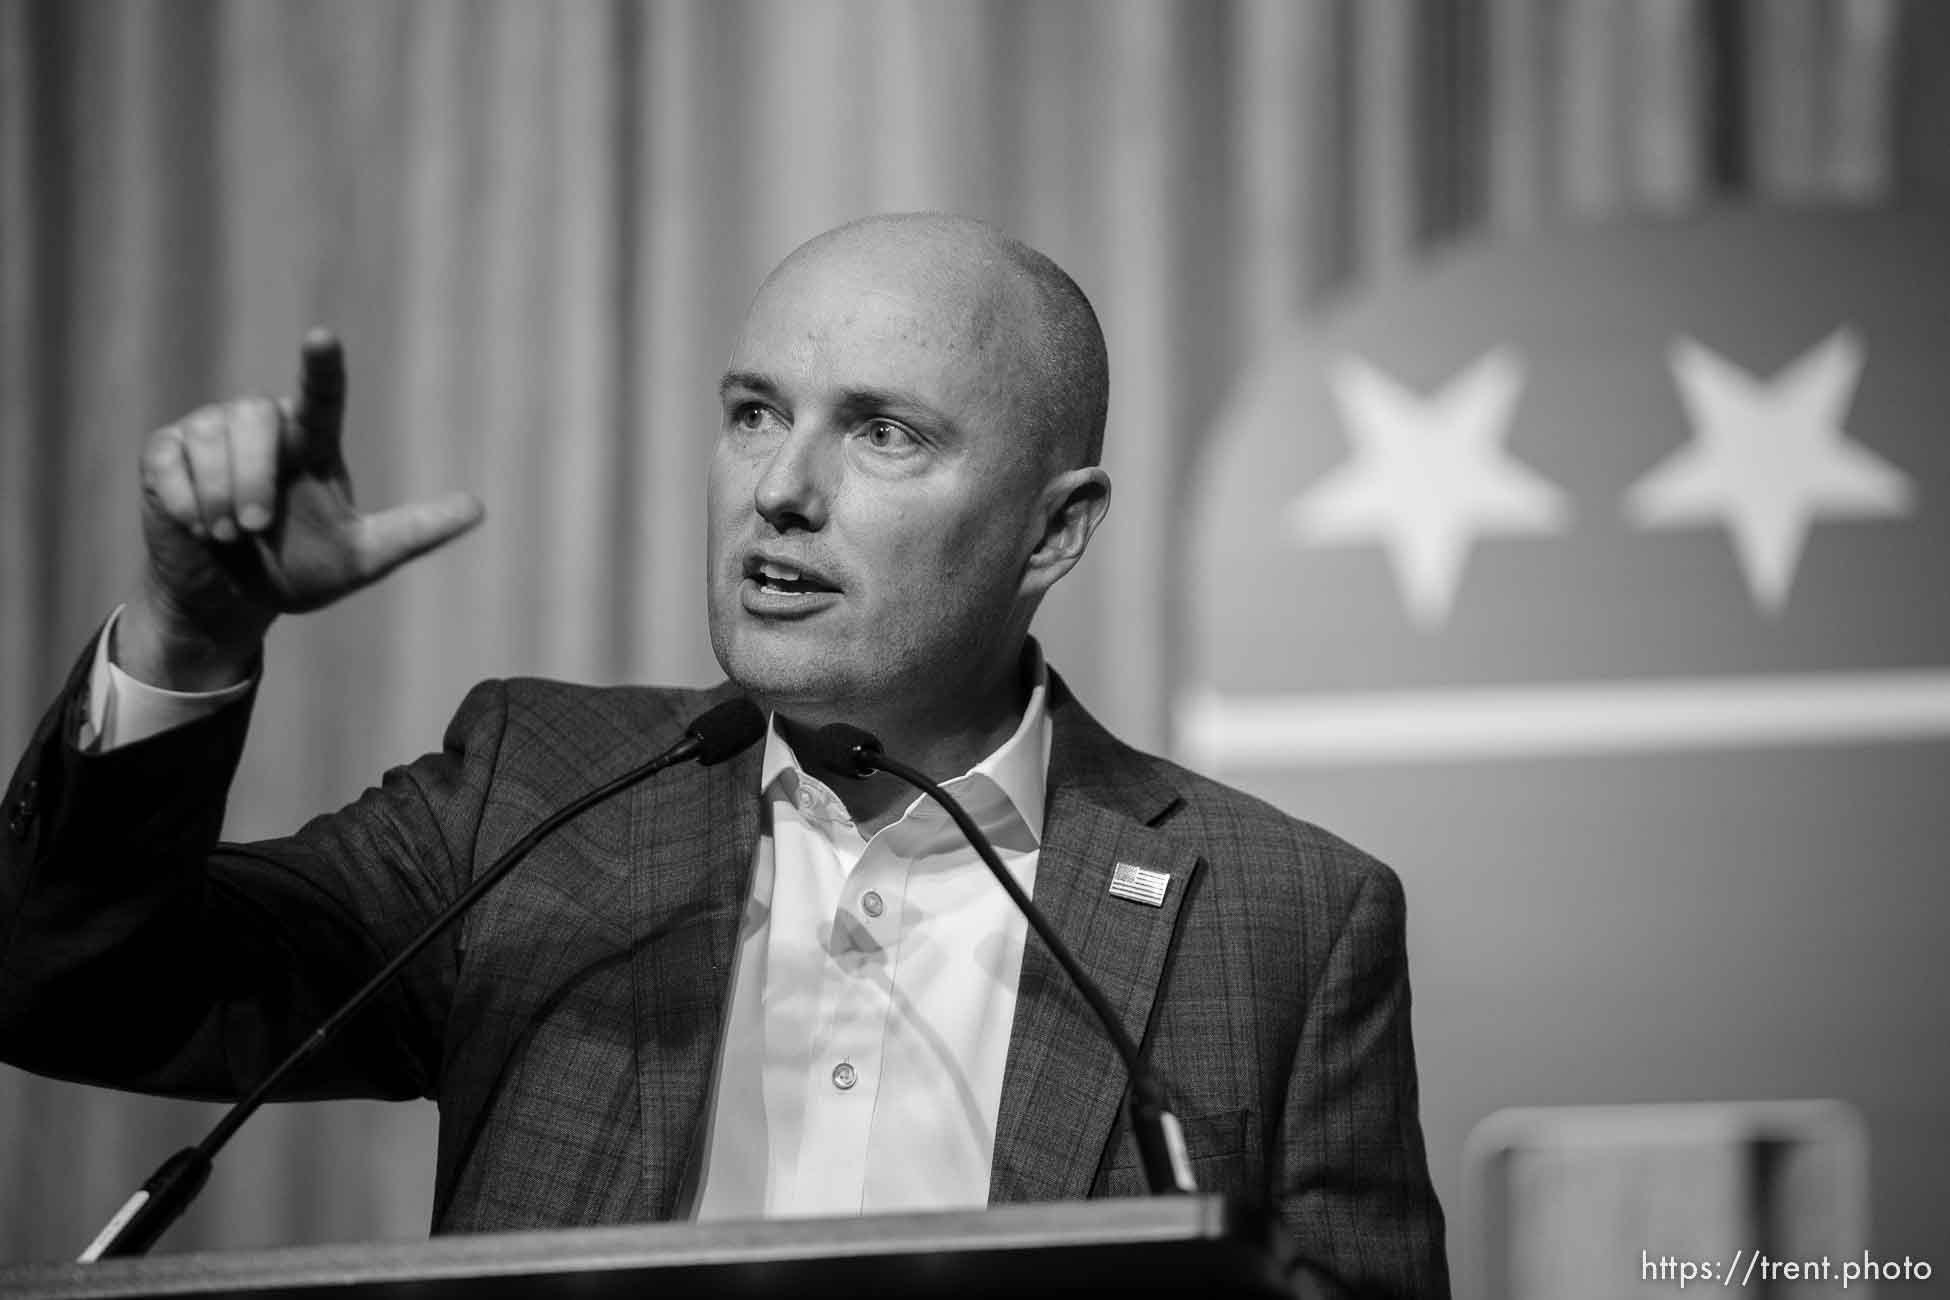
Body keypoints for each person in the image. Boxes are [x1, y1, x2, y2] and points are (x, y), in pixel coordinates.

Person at [0, 214, 1447, 1296]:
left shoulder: (1283, 915)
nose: (780, 490)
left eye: (882, 434)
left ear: (1053, 531)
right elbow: (76, 987)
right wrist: (191, 638)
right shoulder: (536, 793)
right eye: (754, 413)